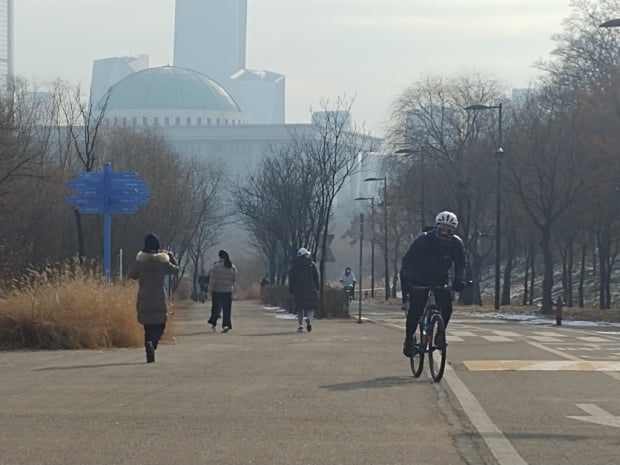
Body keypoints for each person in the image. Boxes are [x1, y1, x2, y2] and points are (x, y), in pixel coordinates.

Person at [399, 211, 467, 358]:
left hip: (440, 279)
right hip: (419, 278)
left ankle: (440, 334)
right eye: (442, 228)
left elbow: (461, 264)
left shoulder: (456, 243)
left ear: (453, 231)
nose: (445, 233)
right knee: (416, 310)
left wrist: (459, 280)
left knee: (447, 307)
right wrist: (408, 280)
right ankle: (409, 339)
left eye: (449, 230)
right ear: (436, 227)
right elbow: (408, 262)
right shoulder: (423, 240)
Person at [128, 232, 179, 363]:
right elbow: (175, 270)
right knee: (161, 325)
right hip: (158, 296)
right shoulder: (162, 261)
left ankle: (149, 346)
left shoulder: (141, 261)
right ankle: (153, 343)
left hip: (144, 296)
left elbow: (131, 274)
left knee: (148, 327)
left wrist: (137, 261)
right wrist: (171, 256)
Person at [288, 247, 319, 333]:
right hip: (310, 289)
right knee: (311, 307)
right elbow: (316, 278)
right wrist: (317, 288)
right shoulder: (312, 265)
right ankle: (309, 319)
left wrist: (291, 291)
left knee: (300, 309)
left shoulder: (294, 267)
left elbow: (291, 280)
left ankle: (300, 326)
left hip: (298, 291)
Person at [207, 249, 237, 333]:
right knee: (227, 309)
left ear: (219, 257)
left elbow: (212, 280)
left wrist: (209, 290)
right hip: (228, 291)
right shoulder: (232, 267)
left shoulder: (216, 267)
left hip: (217, 291)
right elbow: (234, 279)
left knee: (215, 308)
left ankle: (213, 323)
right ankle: (226, 325)